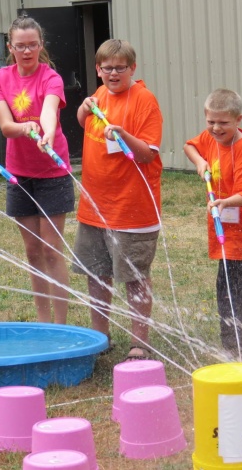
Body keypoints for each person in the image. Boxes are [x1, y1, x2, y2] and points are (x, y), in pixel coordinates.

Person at [74, 39, 163, 361]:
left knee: (134, 278)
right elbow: (85, 123)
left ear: (132, 68)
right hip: (94, 209)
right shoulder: (99, 95)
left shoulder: (144, 100)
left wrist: (123, 135)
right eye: (107, 68)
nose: (113, 73)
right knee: (97, 275)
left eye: (120, 67)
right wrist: (83, 110)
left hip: (132, 210)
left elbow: (147, 155)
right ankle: (101, 337)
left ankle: (140, 343)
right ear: (98, 70)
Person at [0, 16, 74, 324]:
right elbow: (6, 127)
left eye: (33, 45)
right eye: (21, 46)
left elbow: (50, 110)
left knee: (52, 250)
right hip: (19, 173)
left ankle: (61, 324)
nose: (27, 52)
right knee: (33, 251)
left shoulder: (51, 77)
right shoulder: (0, 77)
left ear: (41, 46)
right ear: (10, 47)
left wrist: (47, 132)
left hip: (53, 172)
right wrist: (28, 127)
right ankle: (43, 321)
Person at [183, 88, 242, 359]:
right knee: (232, 283)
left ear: (238, 120)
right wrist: (200, 162)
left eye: (223, 123)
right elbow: (190, 145)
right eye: (211, 122)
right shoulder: (211, 138)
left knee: (237, 285)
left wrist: (223, 203)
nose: (216, 128)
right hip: (227, 226)